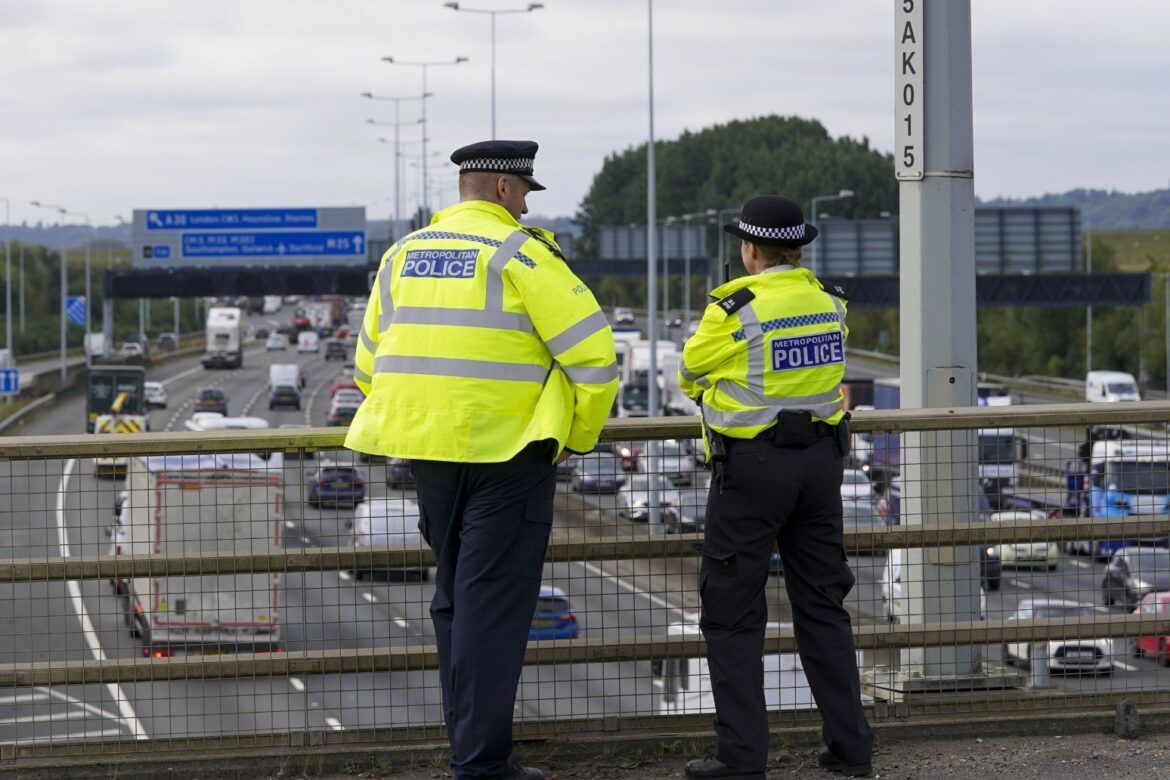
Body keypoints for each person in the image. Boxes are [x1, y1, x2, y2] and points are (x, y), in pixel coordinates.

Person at [345, 139, 619, 780]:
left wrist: (428, 419)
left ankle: (467, 744)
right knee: (489, 605)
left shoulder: (402, 254)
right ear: (501, 188)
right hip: (510, 454)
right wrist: (571, 438)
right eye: (524, 192)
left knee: (456, 600)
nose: (526, 205)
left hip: (429, 455)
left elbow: (367, 366)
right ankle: (480, 762)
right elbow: (594, 359)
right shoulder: (521, 254)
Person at [678, 196, 874, 779]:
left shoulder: (733, 308)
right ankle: (851, 748)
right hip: (820, 467)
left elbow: (691, 372)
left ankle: (741, 759)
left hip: (752, 473)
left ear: (749, 250)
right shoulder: (830, 303)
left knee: (733, 613)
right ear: (799, 247)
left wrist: (715, 392)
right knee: (822, 607)